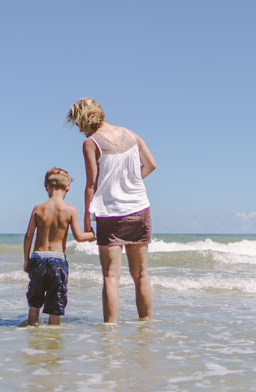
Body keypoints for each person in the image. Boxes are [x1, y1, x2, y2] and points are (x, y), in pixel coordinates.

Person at [66, 98, 157, 323]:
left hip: (110, 212)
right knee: (141, 275)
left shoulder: (91, 143)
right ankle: (146, 327)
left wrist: (87, 218)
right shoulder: (131, 135)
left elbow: (91, 185)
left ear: (83, 120)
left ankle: (110, 331)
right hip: (139, 209)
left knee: (110, 277)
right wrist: (130, 181)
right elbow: (151, 165)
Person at [22, 167, 96, 326]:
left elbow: (28, 236)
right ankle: (53, 336)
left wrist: (26, 260)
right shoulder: (70, 210)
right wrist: (92, 235)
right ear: (68, 188)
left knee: (34, 301)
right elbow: (79, 237)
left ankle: (32, 330)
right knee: (55, 304)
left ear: (46, 187)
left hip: (38, 258)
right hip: (58, 261)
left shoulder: (38, 209)